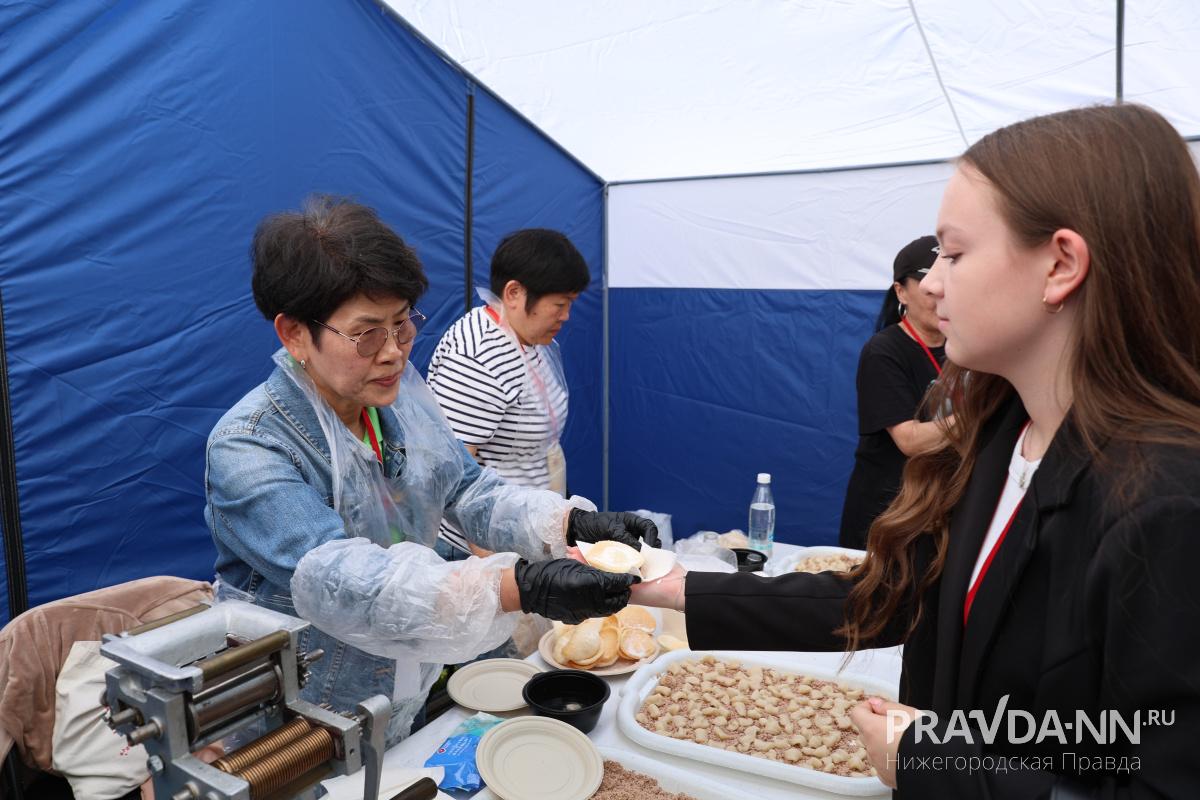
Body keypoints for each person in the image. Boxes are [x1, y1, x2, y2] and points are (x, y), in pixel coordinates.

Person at [631, 104, 1200, 798]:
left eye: (953, 254)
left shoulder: (1167, 506)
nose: (931, 284)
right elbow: (899, 596)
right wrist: (673, 588)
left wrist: (930, 762)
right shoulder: (1003, 431)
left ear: (1060, 266)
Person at [205, 196, 657, 746]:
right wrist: (520, 585)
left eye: (402, 325)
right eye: (367, 333)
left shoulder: (395, 403)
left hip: (398, 681)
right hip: (298, 713)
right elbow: (345, 580)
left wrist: (568, 524)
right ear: (295, 333)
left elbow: (468, 488)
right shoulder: (251, 444)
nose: (394, 352)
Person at [427, 229, 588, 560]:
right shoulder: (478, 356)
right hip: (484, 547)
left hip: (526, 529)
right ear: (514, 293)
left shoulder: (531, 339)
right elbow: (450, 472)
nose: (566, 316)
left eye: (570, 303)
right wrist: (494, 567)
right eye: (560, 304)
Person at [839, 236, 951, 550]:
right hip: (889, 514)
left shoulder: (966, 347)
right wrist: (977, 419)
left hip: (942, 510)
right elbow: (910, 440)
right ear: (901, 291)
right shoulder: (884, 350)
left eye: (947, 283)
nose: (940, 293)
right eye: (928, 286)